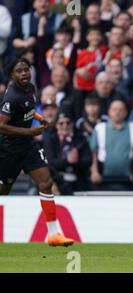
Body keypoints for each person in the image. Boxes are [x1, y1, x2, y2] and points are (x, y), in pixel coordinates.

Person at [0, 58, 74, 246]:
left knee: (46, 182)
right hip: (10, 150)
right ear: (12, 75)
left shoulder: (30, 89)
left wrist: (40, 118)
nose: (24, 73)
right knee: (4, 190)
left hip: (28, 146)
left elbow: (29, 109)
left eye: (26, 69)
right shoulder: (11, 97)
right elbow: (1, 126)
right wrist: (30, 131)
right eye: (19, 71)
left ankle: (54, 234)